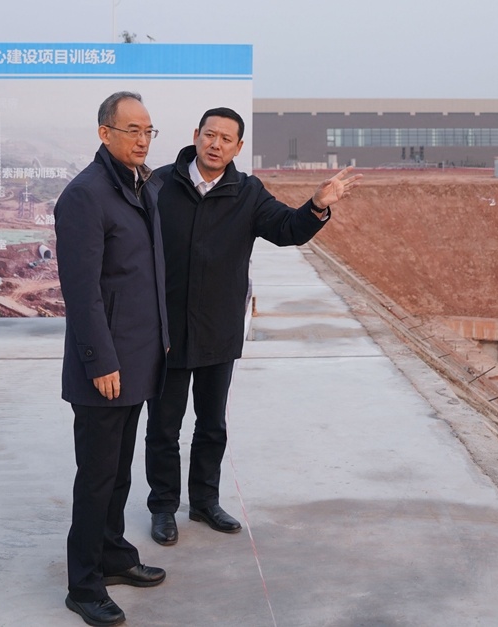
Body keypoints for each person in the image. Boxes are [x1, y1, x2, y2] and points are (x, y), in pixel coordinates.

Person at [145, 107, 360, 546]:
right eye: (210, 135)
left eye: (226, 139)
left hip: (218, 329)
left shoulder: (247, 192)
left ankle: (205, 502)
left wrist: (317, 206)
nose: (216, 144)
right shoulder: (160, 184)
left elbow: (286, 229)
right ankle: (163, 507)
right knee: (164, 428)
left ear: (238, 147)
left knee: (212, 426)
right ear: (196, 135)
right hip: (166, 331)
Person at [55, 91, 169, 627]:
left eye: (148, 131)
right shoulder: (86, 195)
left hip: (138, 359)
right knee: (97, 477)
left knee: (119, 472)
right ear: (105, 133)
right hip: (105, 367)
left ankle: (113, 554)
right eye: (132, 130)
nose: (143, 140)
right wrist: (100, 361)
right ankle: (83, 584)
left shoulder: (140, 186)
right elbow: (82, 293)